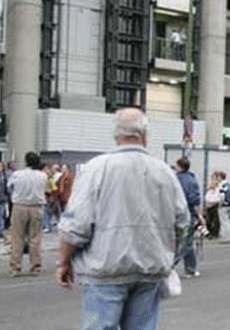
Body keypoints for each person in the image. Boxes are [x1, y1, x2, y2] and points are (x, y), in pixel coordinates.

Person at [56, 108, 190, 330]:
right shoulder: (165, 172)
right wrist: (166, 255)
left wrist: (63, 261)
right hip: (150, 270)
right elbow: (181, 222)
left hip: (106, 269)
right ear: (145, 135)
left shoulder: (97, 168)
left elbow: (76, 225)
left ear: (116, 135)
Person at [7, 152, 48, 277]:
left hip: (19, 206)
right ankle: (35, 267)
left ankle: (15, 267)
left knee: (17, 238)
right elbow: (46, 190)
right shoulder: (43, 175)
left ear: (26, 161)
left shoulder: (17, 174)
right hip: (36, 207)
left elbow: (9, 188)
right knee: (35, 238)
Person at [175, 157, 205, 278]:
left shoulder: (174, 179)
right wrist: (200, 216)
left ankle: (190, 268)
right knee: (187, 242)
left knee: (182, 242)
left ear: (179, 166)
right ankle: (176, 266)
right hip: (189, 214)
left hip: (175, 213)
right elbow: (194, 200)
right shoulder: (192, 181)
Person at [204, 173, 222, 239]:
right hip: (209, 205)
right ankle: (210, 232)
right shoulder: (210, 189)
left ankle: (215, 233)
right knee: (208, 220)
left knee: (215, 220)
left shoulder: (219, 188)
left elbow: (220, 197)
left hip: (215, 205)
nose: (213, 182)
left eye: (215, 179)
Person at [0, 161, 10, 239]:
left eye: (1, 166)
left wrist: (7, 197)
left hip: (2, 199)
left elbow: (7, 189)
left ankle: (1, 231)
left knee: (1, 216)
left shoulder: (5, 176)